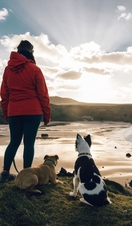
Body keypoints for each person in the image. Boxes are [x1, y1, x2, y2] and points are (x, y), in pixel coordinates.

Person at [0, 40, 50, 182]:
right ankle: (26, 175)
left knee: (13, 142)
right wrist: (46, 115)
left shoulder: (8, 70)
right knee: (29, 144)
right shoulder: (35, 69)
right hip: (33, 111)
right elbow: (43, 95)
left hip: (14, 111)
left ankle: (4, 174)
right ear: (31, 52)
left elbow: (4, 95)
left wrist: (7, 114)